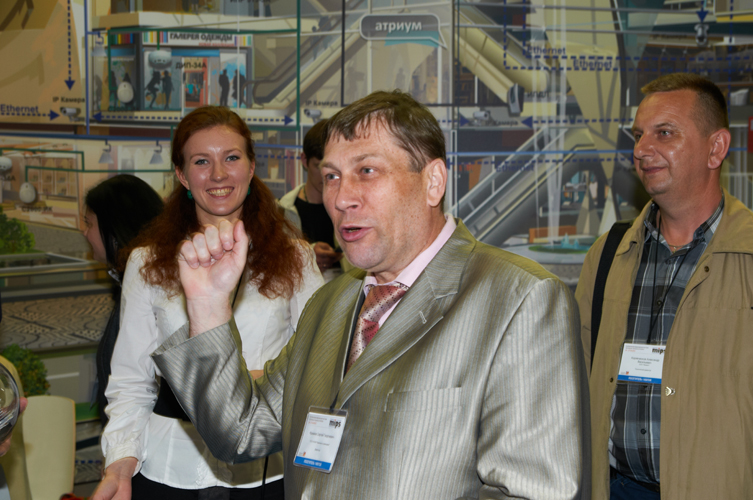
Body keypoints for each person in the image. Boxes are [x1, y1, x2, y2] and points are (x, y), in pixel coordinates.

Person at [153, 91, 590, 499]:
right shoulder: (328, 305)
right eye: (331, 176)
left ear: (433, 181)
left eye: (367, 171)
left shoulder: (520, 300)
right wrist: (208, 307)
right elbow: (239, 432)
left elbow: (534, 490)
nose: (342, 198)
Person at [92, 107, 323, 500]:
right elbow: (131, 381)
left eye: (231, 157)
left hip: (265, 473)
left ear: (251, 167)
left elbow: (318, 364)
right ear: (182, 175)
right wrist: (120, 464)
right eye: (201, 161)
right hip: (169, 470)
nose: (218, 174)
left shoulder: (295, 258)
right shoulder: (147, 263)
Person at [575, 73, 753, 500]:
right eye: (639, 135)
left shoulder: (747, 255)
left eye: (665, 133)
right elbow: (577, 377)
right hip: (614, 488)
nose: (641, 150)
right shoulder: (609, 253)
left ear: (716, 148)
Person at [82, 174, 164, 424]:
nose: (84, 233)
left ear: (114, 230)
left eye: (89, 224)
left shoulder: (153, 291)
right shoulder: (130, 282)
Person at [279, 119, 349, 281]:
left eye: (333, 168)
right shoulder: (282, 211)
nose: (326, 176)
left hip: (346, 293)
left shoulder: (352, 207)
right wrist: (306, 257)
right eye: (319, 167)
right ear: (304, 161)